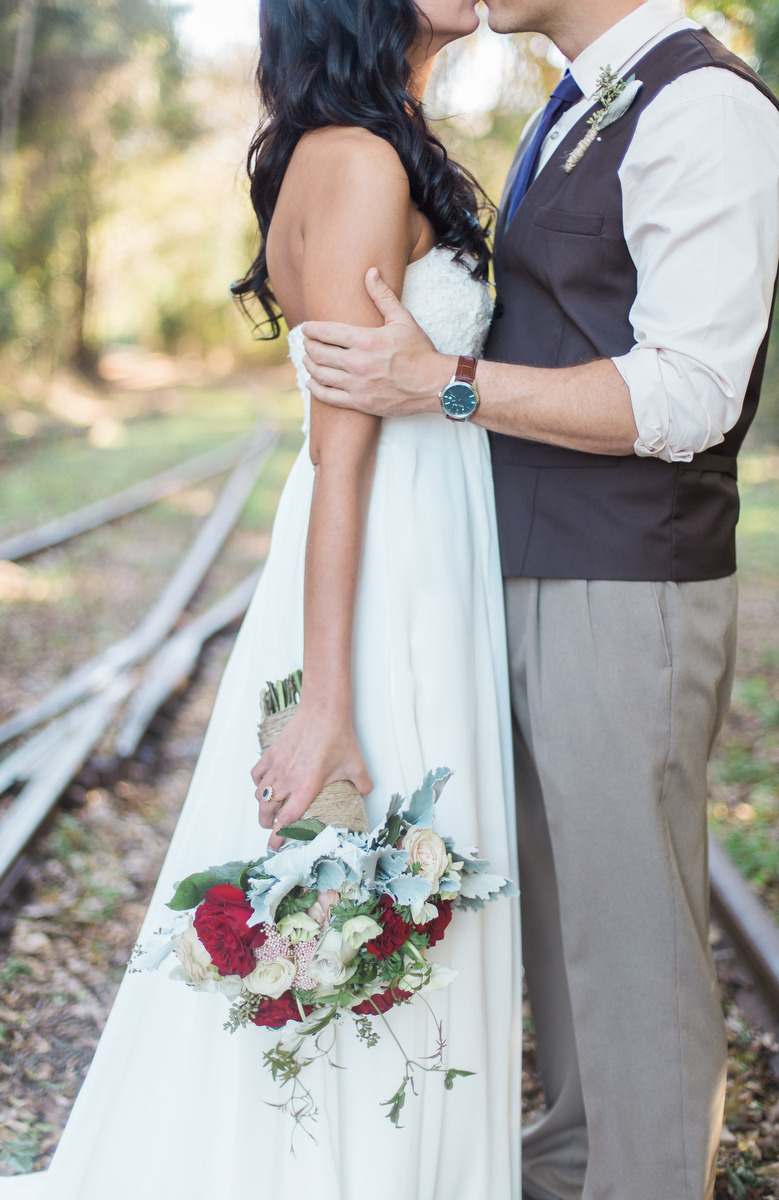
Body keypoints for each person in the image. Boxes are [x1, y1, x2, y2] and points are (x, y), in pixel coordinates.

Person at [301, 0, 779, 1196]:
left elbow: (689, 394)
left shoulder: (704, 108)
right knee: (563, 919)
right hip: (522, 567)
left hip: (622, 579)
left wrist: (449, 386)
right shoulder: (572, 105)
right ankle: (576, 1163)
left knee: (630, 929)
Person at [27, 2, 520, 1198]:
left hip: (418, 554)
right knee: (374, 866)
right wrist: (327, 703)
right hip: (386, 573)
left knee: (398, 896)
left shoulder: (371, 138)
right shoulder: (351, 158)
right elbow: (339, 454)